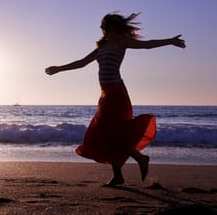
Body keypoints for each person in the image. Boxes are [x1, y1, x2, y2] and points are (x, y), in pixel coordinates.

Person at [45, 12, 186, 186]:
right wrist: (59, 68)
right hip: (105, 96)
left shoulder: (122, 42)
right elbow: (82, 63)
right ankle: (123, 172)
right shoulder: (101, 47)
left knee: (113, 133)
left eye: (103, 26)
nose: (101, 29)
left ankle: (139, 160)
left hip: (117, 94)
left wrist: (170, 41)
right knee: (106, 134)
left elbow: (147, 45)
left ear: (111, 27)